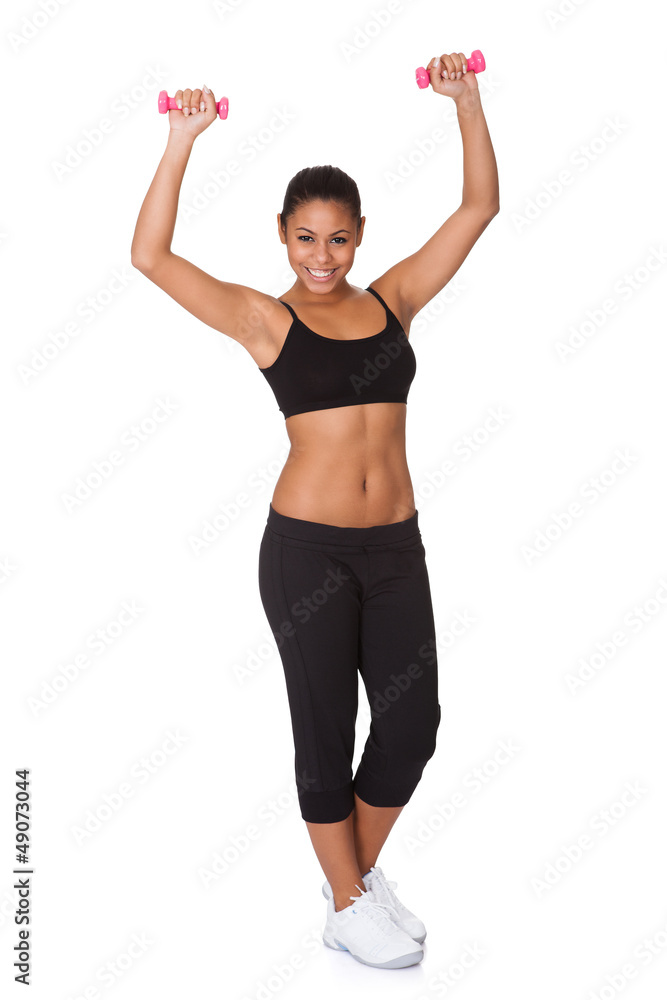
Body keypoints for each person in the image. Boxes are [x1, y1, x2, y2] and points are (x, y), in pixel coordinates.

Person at [131, 51, 499, 970]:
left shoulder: (393, 302)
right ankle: (349, 895)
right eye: (305, 239)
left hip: (395, 548)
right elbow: (149, 257)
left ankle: (350, 892)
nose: (321, 257)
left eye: (336, 239)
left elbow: (477, 209)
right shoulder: (267, 320)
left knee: (414, 725)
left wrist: (467, 101)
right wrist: (181, 142)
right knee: (324, 729)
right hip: (308, 552)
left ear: (359, 236)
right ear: (282, 238)